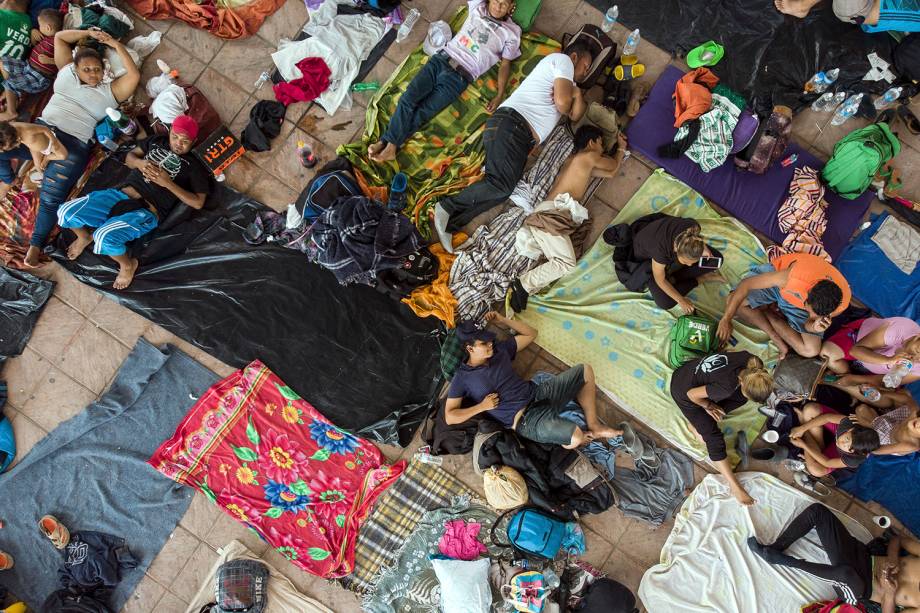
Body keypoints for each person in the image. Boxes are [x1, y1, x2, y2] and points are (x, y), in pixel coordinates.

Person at [433, 43, 595, 251]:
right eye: (586, 65)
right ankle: (446, 206)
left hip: (517, 135)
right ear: (574, 56)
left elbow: (575, 117)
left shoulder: (570, 83)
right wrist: (570, 95)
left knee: (501, 191)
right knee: (499, 184)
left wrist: (578, 94)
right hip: (512, 125)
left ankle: (449, 224)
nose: (587, 71)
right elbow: (564, 106)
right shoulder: (563, 61)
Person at [18, 29, 139, 270]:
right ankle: (18, 171)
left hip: (72, 143)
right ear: (76, 68)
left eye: (97, 70)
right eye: (87, 69)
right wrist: (86, 32)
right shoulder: (65, 73)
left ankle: (36, 244)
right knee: (8, 142)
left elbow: (133, 74)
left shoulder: (110, 91)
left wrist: (115, 44)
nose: (93, 74)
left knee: (52, 196)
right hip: (43, 131)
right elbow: (60, 37)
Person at [56, 115, 210, 289]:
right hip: (118, 195)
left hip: (145, 210)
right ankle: (83, 236)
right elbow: (130, 157)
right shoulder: (157, 141)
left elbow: (198, 203)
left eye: (185, 141)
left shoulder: (193, 165)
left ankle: (128, 265)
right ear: (170, 132)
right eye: (175, 136)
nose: (177, 143)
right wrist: (140, 163)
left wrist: (167, 183)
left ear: (194, 142)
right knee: (65, 211)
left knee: (103, 237)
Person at [367, 0, 521, 163]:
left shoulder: (512, 32)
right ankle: (389, 145)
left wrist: (500, 94)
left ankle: (387, 143)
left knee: (422, 113)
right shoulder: (478, 7)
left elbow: (505, 64)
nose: (498, 6)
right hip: (441, 60)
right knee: (407, 100)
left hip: (460, 78)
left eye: (504, 4)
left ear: (511, 7)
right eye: (496, 1)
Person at [444, 312, 622, 448]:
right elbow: (450, 417)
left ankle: (594, 425)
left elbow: (531, 334)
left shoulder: (499, 351)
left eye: (489, 340)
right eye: (483, 343)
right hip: (525, 420)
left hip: (538, 393)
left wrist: (503, 320)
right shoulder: (463, 377)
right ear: (470, 348)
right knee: (576, 437)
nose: (490, 344)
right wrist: (481, 407)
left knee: (585, 371)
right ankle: (565, 436)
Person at [509, 126, 628, 312]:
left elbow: (609, 173)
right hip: (551, 215)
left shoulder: (575, 161)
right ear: (592, 142)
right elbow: (612, 166)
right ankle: (523, 284)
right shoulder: (589, 156)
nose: (603, 149)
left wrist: (617, 157)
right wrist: (620, 147)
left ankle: (523, 290)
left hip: (548, 213)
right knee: (566, 263)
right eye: (601, 144)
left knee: (556, 260)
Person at [749, 505, 920, 610]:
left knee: (846, 575)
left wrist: (889, 594)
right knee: (818, 512)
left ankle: (783, 561)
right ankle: (776, 548)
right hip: (863, 558)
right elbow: (899, 540)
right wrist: (892, 558)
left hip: (859, 588)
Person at [669, 351, 774, 505]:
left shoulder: (753, 361)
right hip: (683, 391)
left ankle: (701, 422)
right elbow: (691, 394)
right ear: (742, 382)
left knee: (740, 399)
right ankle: (734, 486)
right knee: (714, 439)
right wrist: (709, 406)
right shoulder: (726, 387)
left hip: (688, 371)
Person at [717, 253, 851, 359]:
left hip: (802, 301)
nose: (808, 315)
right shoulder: (793, 276)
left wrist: (814, 327)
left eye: (812, 314)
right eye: (807, 309)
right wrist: (726, 319)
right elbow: (746, 284)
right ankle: (774, 334)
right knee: (733, 301)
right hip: (780, 287)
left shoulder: (838, 306)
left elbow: (809, 322)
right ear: (807, 293)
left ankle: (770, 315)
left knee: (810, 351)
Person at [629, 214, 724, 313]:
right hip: (648, 259)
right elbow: (660, 280)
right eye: (686, 262)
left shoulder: (693, 227)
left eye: (692, 262)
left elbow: (697, 239)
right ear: (677, 252)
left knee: (717, 259)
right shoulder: (661, 251)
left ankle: (674, 279)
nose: (689, 265)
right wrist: (681, 300)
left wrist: (704, 248)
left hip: (669, 250)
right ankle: (701, 279)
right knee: (664, 302)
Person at [785, 402, 880, 485]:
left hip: (836, 453)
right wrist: (802, 428)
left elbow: (827, 462)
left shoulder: (854, 459)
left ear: (854, 453)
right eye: (847, 438)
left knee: (816, 470)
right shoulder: (850, 423)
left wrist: (804, 445)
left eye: (849, 448)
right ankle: (817, 445)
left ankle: (806, 433)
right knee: (810, 409)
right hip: (837, 429)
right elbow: (827, 418)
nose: (843, 443)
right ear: (850, 430)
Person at [0, 9, 63, 121]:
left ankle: (11, 112)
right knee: (4, 61)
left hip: (38, 77)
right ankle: (13, 93)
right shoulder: (46, 38)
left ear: (48, 27)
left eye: (40, 26)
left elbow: (65, 61)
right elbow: (34, 45)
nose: (39, 28)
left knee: (10, 81)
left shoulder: (58, 41)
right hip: (27, 67)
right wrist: (34, 34)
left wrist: (50, 61)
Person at [821, 317, 920, 386]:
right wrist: (889, 360)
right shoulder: (901, 329)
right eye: (917, 350)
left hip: (870, 373)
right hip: (857, 339)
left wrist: (855, 379)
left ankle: (843, 379)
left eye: (919, 359)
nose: (914, 358)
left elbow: (887, 381)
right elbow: (856, 351)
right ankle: (844, 374)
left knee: (879, 393)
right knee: (827, 354)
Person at [0, 121, 67, 198]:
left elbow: (45, 129)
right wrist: (37, 164)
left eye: (7, 148)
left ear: (17, 142)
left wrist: (54, 141)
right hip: (37, 148)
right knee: (38, 168)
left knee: (63, 155)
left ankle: (47, 158)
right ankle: (37, 167)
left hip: (48, 147)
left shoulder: (28, 135)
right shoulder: (13, 126)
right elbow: (34, 147)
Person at [850, 398, 920, 456]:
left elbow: (877, 451)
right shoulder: (915, 414)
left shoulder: (911, 445)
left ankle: (873, 421)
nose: (919, 424)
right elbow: (906, 398)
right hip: (897, 423)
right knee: (861, 408)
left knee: (860, 410)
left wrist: (867, 444)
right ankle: (882, 413)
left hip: (888, 438)